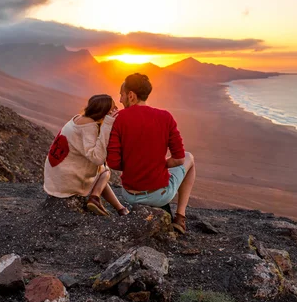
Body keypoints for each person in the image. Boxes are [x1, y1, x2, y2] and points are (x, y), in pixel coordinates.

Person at [107, 73, 196, 234]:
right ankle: (180, 218)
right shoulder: (165, 117)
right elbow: (179, 159)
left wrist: (135, 163)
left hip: (129, 195)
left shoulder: (119, 119)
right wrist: (158, 164)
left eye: (121, 94)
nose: (120, 100)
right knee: (190, 158)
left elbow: (113, 163)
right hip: (159, 195)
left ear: (131, 96)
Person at [43, 94, 129, 216]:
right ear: (104, 111)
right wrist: (108, 124)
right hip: (65, 182)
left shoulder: (78, 118)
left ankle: (119, 208)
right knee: (104, 171)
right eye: (113, 108)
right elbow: (98, 158)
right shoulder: (88, 127)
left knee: (100, 172)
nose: (116, 110)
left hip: (56, 176)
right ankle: (95, 197)